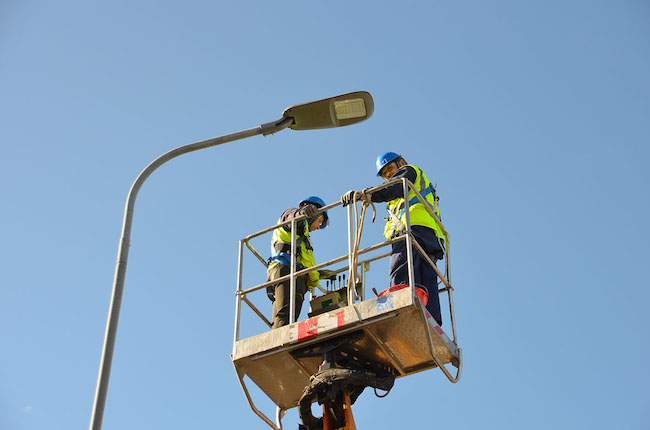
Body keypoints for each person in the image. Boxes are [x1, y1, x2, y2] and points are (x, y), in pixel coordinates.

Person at [341, 152, 445, 325]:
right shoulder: (408, 190)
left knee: (400, 267)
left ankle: (400, 309)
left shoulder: (408, 172)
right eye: (384, 174)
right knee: (424, 280)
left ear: (401, 162)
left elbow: (394, 188)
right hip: (428, 235)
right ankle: (432, 322)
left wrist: (365, 195)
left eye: (389, 169)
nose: (388, 175)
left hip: (413, 231)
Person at [266, 196, 331, 329]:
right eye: (319, 221)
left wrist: (318, 274)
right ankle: (282, 346)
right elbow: (291, 218)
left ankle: (277, 345)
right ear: (314, 213)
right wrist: (302, 213)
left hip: (288, 274)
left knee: (284, 318)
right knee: (286, 318)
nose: (318, 227)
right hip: (285, 271)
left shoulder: (302, 236)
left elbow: (306, 263)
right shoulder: (296, 221)